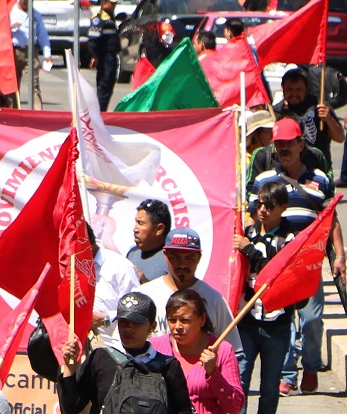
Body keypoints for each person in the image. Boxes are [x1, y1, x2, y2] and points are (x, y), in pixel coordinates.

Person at [245, 116, 345, 393]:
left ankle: (310, 366)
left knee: (312, 321)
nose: (284, 148)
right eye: (279, 143)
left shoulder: (320, 179)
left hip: (309, 263)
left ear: (301, 143)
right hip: (274, 262)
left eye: (290, 142)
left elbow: (332, 218)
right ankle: (288, 375)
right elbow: (252, 218)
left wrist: (339, 256)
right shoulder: (264, 180)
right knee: (283, 320)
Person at [57, 292, 193, 414]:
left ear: (152, 326)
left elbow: (184, 410)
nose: (129, 328)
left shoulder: (169, 366)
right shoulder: (101, 358)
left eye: (136, 323)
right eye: (123, 322)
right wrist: (70, 367)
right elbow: (71, 408)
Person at [235, 181, 298, 412]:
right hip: (246, 320)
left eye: (270, 206)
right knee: (239, 381)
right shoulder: (247, 233)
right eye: (259, 204)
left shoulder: (289, 238)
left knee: (270, 386)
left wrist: (248, 250)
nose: (262, 210)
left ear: (283, 207)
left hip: (276, 324)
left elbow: (278, 274)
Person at [138, 228, 243, 359]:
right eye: (175, 257)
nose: (182, 264)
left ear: (199, 257)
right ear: (165, 255)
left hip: (199, 377)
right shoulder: (144, 295)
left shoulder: (214, 300)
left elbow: (234, 354)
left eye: (189, 258)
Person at [150, 290, 242, 414]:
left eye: (185, 320)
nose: (177, 326)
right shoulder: (155, 347)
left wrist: (213, 373)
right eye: (172, 320)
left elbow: (235, 407)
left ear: (202, 319)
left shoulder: (223, 350)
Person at [270, 68, 343, 171]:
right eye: (289, 89)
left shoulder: (320, 107)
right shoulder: (276, 113)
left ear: (307, 88)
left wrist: (329, 119)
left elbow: (340, 138)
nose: (294, 93)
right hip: (287, 172)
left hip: (318, 169)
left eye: (298, 89)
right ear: (282, 88)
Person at [88, 0, 122, 110]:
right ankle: (100, 113)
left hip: (111, 57)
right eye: (112, 3)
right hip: (105, 57)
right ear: (104, 3)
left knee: (108, 87)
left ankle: (102, 111)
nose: (114, 6)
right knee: (104, 86)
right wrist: (94, 56)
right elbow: (93, 39)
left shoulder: (109, 18)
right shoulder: (99, 18)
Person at [127, 198, 173, 283]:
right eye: (136, 222)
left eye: (141, 223)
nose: (135, 229)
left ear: (159, 229)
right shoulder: (132, 254)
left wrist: (144, 282)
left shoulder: (173, 260)